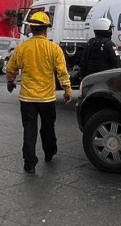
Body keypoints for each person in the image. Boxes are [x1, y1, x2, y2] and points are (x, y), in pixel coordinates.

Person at [4, 11, 73, 173]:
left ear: (32, 29)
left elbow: (11, 68)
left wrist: (10, 81)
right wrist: (67, 90)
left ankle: (29, 163)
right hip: (47, 99)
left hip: (27, 99)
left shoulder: (22, 48)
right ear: (46, 30)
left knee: (29, 130)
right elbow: (62, 72)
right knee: (48, 127)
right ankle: (49, 152)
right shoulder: (54, 48)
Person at [77, 17, 121, 81]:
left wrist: (83, 76)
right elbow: (117, 62)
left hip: (90, 77)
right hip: (104, 78)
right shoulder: (109, 44)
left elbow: (83, 62)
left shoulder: (90, 42)